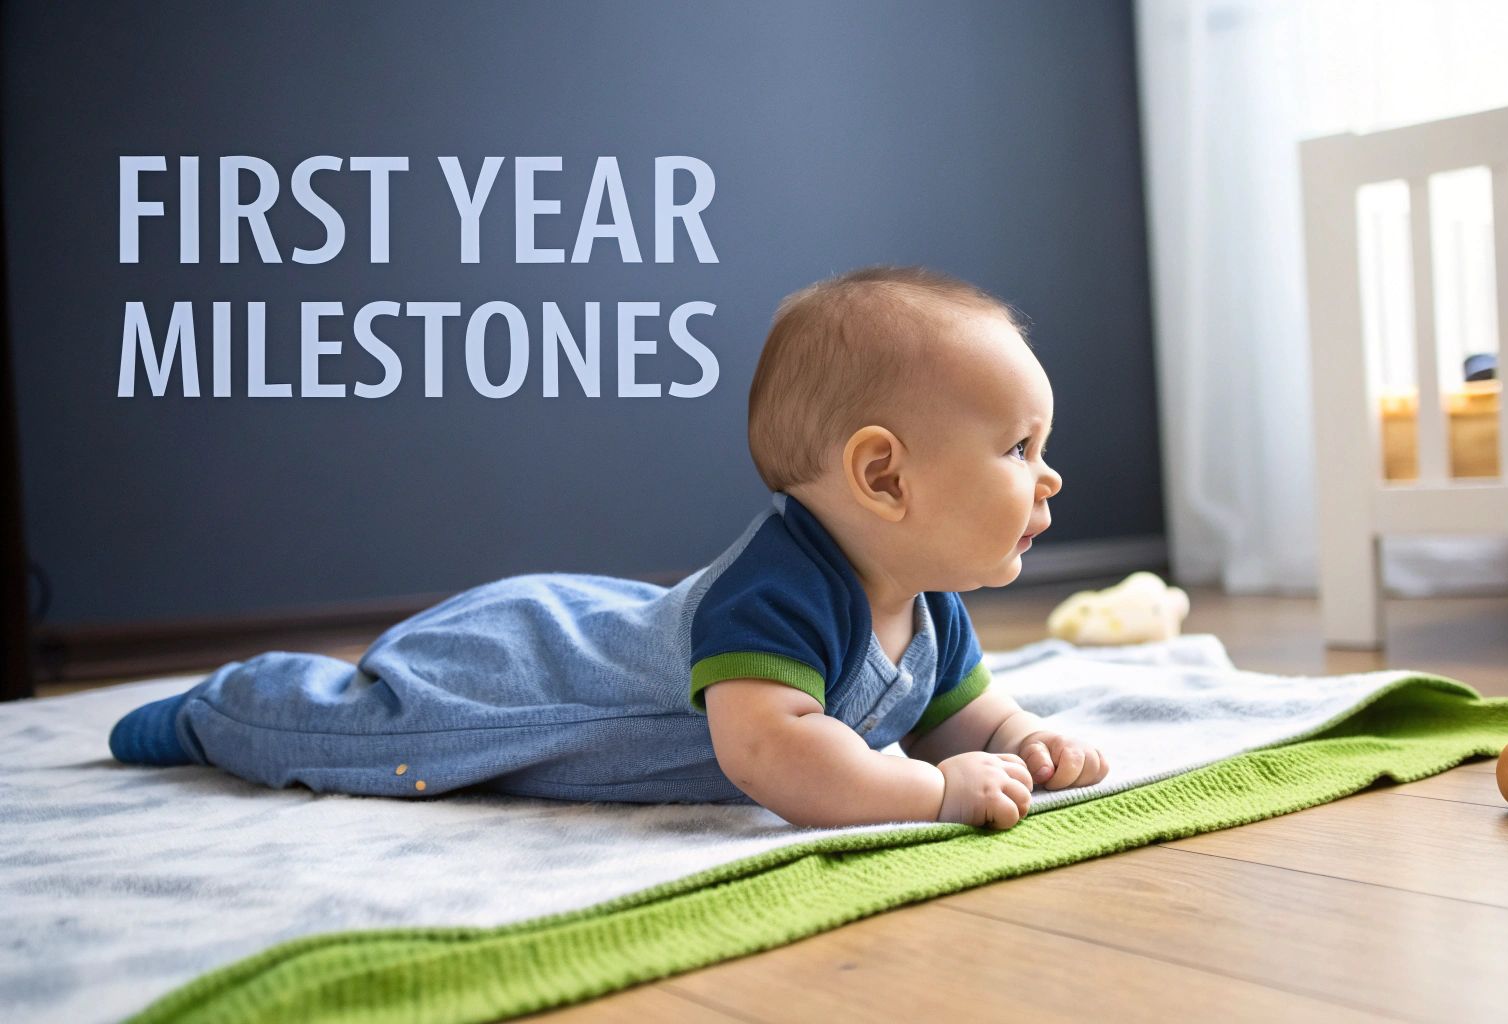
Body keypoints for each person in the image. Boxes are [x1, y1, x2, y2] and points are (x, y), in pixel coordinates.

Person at [109, 265, 1108, 830]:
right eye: (1019, 447)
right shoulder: (779, 587)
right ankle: (223, 706)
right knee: (366, 740)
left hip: (617, 626)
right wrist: (934, 794)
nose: (1047, 474)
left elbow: (954, 714)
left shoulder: (925, 600)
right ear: (883, 477)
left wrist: (1016, 740)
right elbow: (771, 754)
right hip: (516, 673)